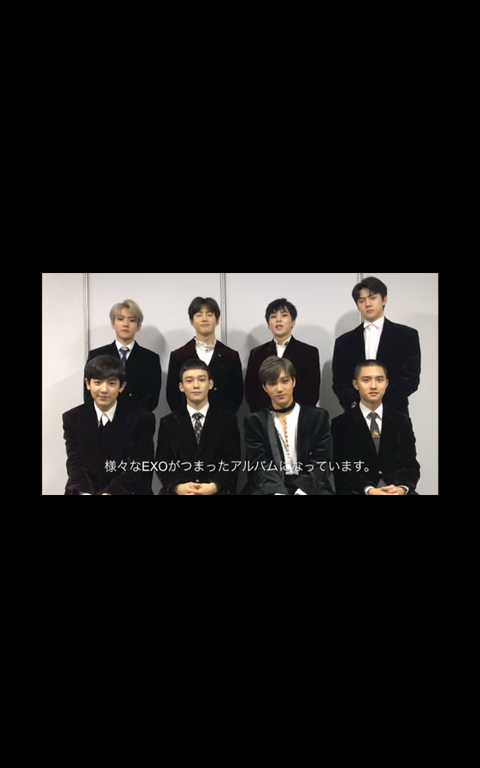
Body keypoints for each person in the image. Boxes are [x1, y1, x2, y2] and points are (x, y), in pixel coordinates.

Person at [64, 355, 155, 495]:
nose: (104, 389)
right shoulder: (72, 418)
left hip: (126, 490)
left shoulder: (142, 419)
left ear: (122, 386)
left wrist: (111, 492)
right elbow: (75, 462)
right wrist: (84, 492)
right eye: (98, 382)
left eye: (111, 383)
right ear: (88, 384)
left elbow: (139, 464)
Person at [242, 356, 334, 495]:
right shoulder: (255, 422)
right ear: (265, 387)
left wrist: (302, 491)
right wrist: (277, 492)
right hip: (270, 487)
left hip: (310, 487)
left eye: (285, 381)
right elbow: (259, 464)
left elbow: (323, 461)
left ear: (293, 382)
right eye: (272, 383)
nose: (279, 389)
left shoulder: (317, 417)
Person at [332, 276, 420, 415]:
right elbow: (339, 381)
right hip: (355, 414)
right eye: (362, 300)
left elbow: (411, 378)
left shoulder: (407, 335)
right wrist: (355, 404)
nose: (367, 304)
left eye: (372, 298)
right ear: (358, 305)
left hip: (395, 412)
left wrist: (381, 404)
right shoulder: (344, 341)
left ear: (384, 299)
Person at [331, 360, 420, 495]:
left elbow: (410, 465)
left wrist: (401, 489)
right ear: (355, 384)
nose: (373, 386)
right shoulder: (341, 424)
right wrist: (370, 490)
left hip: (396, 490)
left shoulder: (401, 421)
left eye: (379, 380)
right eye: (366, 380)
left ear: (386, 383)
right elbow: (343, 468)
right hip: (359, 492)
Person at [157, 359, 241, 495]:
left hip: (217, 491)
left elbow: (232, 460)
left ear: (210, 384)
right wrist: (178, 487)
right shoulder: (168, 422)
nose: (196, 385)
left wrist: (214, 485)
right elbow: (163, 462)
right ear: (181, 387)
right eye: (189, 381)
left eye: (201, 380)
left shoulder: (227, 420)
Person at [166, 296, 243, 414]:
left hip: (223, 421)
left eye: (209, 314)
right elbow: (173, 395)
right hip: (186, 421)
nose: (204, 319)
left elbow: (237, 394)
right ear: (191, 321)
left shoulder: (231, 356)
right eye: (199, 315)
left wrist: (225, 419)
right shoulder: (178, 356)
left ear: (217, 320)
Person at [245, 298, 321, 413]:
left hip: (300, 416)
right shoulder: (256, 353)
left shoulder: (309, 352)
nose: (278, 320)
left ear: (293, 321)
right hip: (265, 416)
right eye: (273, 316)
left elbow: (312, 391)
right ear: (268, 324)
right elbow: (251, 391)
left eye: (284, 315)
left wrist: (292, 414)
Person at [83, 299, 161, 412]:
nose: (125, 324)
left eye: (132, 320)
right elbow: (89, 394)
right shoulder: (96, 355)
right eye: (120, 319)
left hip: (137, 419)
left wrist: (132, 417)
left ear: (139, 326)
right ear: (112, 323)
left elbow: (152, 397)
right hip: (103, 417)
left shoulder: (151, 358)